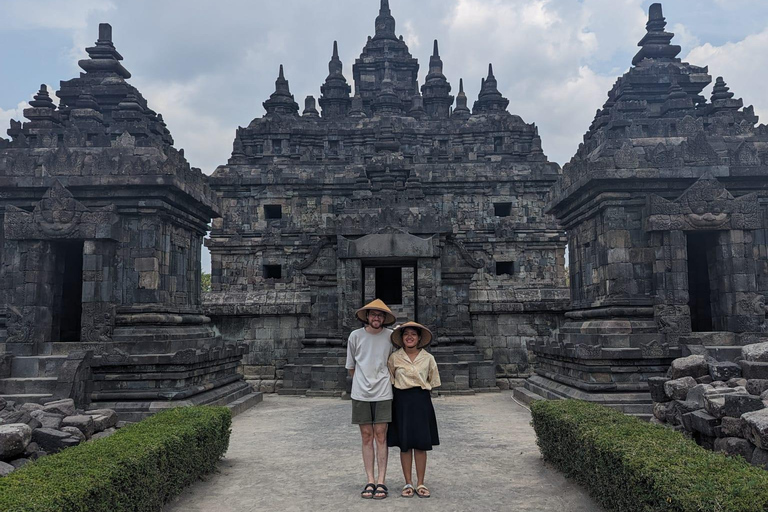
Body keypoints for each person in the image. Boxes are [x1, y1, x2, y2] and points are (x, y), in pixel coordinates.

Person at [345, 299, 397, 500]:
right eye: (373, 314)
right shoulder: (355, 336)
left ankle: (382, 480)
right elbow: (351, 367)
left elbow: (394, 363)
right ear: (366, 316)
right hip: (360, 393)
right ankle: (370, 479)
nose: (377, 318)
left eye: (380, 315)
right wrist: (362, 383)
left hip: (383, 392)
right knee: (366, 436)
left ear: (384, 318)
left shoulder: (391, 337)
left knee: (381, 435)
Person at [387, 321, 441, 498]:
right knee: (405, 444)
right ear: (401, 338)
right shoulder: (395, 358)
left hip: (421, 401)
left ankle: (421, 483)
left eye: (413, 334)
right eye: (405, 334)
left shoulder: (428, 358)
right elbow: (391, 377)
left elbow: (432, 381)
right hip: (402, 401)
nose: (409, 337)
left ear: (419, 338)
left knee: (420, 444)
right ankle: (408, 482)